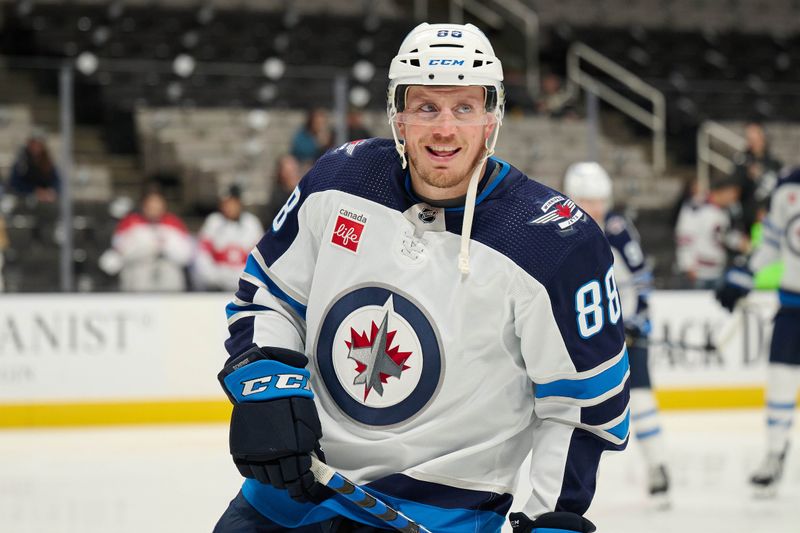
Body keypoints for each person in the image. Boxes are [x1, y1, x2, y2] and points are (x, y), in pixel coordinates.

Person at [215, 23, 629, 533]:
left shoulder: (555, 243)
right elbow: (270, 294)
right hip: (289, 497)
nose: (444, 129)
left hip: (439, 517)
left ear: (491, 116)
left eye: (464, 108)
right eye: (427, 107)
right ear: (399, 114)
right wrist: (267, 387)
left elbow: (583, 407)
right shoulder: (340, 179)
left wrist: (550, 520)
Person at [564, 162, 670, 504]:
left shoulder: (617, 229)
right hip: (587, 335)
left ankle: (657, 465)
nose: (596, 208)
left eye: (600, 200)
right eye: (588, 200)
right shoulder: (559, 232)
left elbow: (642, 279)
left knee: (640, 398)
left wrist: (637, 319)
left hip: (625, 332)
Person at [716, 167, 800, 496]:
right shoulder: (787, 187)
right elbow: (773, 242)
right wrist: (745, 273)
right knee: (779, 382)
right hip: (792, 306)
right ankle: (775, 455)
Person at [99, 186, 193, 292]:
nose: (154, 207)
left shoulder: (174, 224)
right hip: (137, 280)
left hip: (168, 282)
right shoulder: (129, 223)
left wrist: (165, 246)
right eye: (150, 203)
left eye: (157, 203)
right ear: (143, 205)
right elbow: (120, 252)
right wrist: (148, 246)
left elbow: (186, 256)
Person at [674, 175, 749, 289]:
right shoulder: (697, 206)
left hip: (718, 271)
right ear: (722, 191)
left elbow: (722, 235)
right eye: (732, 193)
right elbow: (685, 237)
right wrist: (687, 265)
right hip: (698, 273)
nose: (734, 198)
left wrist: (739, 242)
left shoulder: (726, 210)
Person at [194, 185, 264, 291]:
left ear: (239, 203)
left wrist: (246, 278)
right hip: (216, 285)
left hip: (245, 286)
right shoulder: (213, 221)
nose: (229, 207)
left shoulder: (252, 223)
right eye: (225, 203)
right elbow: (202, 255)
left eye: (232, 203)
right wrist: (215, 276)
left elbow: (261, 257)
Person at [732, 122, 782, 233]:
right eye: (749, 138)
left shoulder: (774, 164)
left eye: (755, 137)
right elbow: (735, 188)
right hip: (748, 219)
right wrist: (747, 175)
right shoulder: (741, 161)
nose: (753, 142)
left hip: (770, 217)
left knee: (766, 246)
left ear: (762, 137)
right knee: (756, 247)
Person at [9, 135, 60, 202]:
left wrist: (51, 191)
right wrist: (34, 190)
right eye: (33, 144)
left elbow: (56, 180)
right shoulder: (22, 161)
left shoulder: (47, 161)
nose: (35, 147)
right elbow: (15, 182)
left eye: (38, 144)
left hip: (46, 200)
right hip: (25, 199)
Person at [265, 154, 302, 225]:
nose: (294, 175)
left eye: (295, 170)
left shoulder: (304, 191)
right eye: (289, 172)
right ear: (281, 174)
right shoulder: (277, 198)